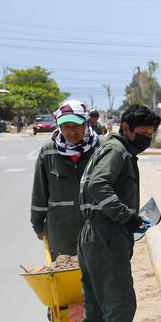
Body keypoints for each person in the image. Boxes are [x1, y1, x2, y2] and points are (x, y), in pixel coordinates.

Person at [78, 104, 161, 322]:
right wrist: (126, 216)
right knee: (120, 300)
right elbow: (98, 186)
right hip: (107, 233)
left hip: (92, 232)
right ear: (126, 128)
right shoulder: (117, 151)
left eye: (151, 133)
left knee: (96, 300)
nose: (147, 137)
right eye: (143, 132)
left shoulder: (106, 147)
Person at [31, 100, 99, 259]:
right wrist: (38, 225)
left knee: (96, 271)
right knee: (65, 273)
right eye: (66, 126)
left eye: (76, 126)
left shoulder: (101, 148)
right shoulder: (48, 151)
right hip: (60, 232)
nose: (71, 132)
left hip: (97, 230)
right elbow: (39, 192)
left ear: (86, 123)